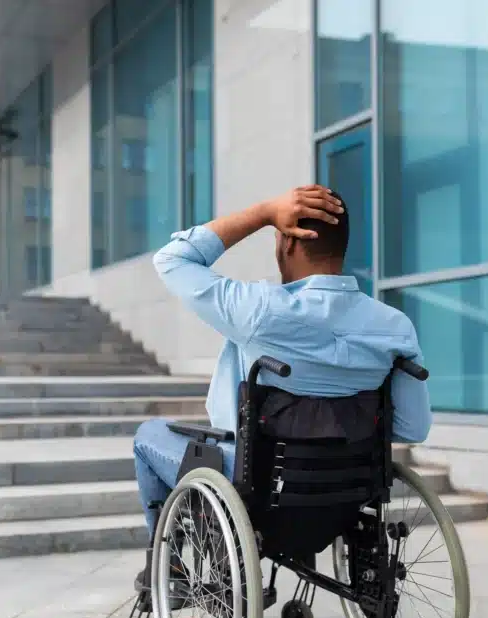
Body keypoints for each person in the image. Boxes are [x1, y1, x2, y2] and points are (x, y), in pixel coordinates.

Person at [132, 185, 433, 590]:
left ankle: (170, 567)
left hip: (256, 487)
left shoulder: (259, 310)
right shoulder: (395, 327)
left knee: (148, 435)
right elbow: (413, 428)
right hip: (347, 491)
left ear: (289, 241)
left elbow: (172, 259)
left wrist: (262, 212)